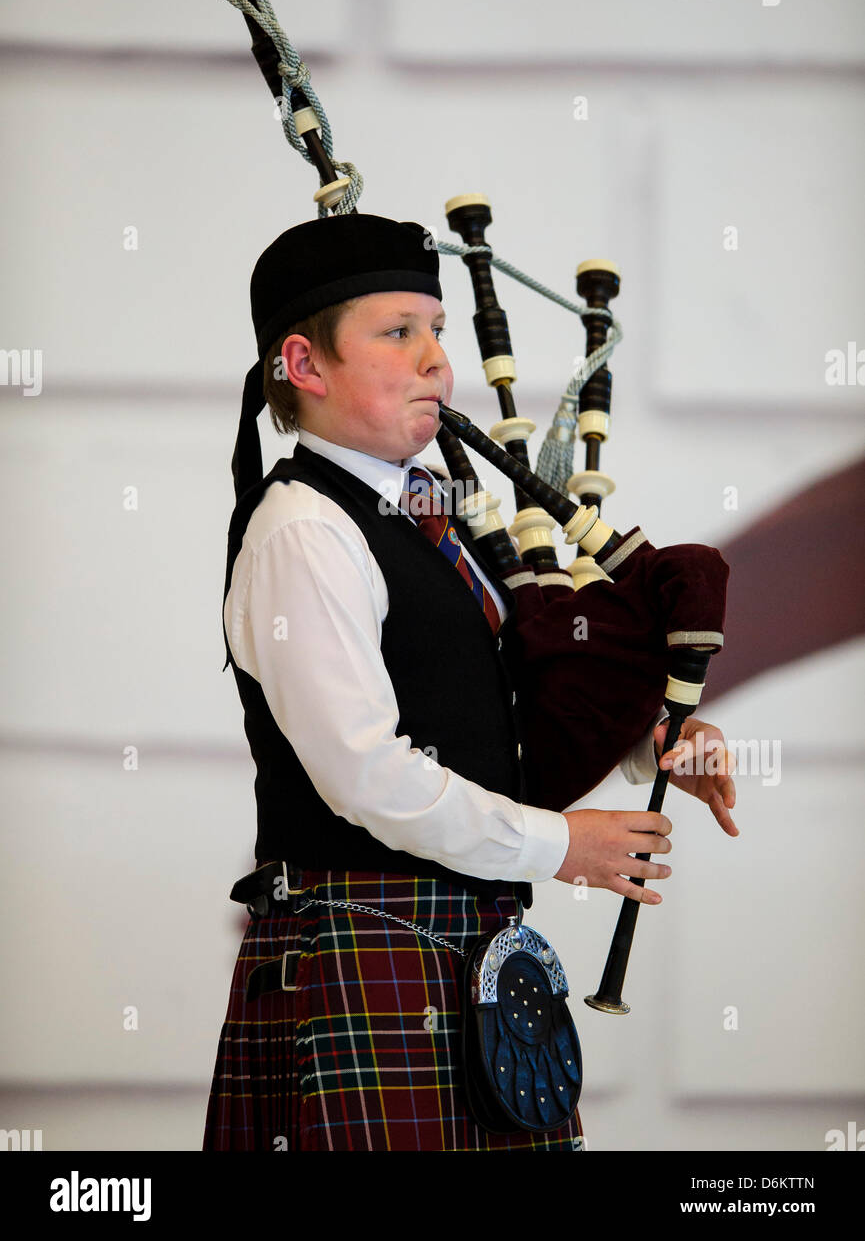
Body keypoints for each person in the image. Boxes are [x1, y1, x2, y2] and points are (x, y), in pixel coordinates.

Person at [203, 213, 737, 1153]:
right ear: (304, 363)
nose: (437, 363)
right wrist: (558, 844)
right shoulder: (303, 530)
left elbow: (485, 716)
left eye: (439, 332)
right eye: (397, 332)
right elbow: (366, 773)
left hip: (458, 951)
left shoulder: (425, 518)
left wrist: (641, 748)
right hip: (359, 950)